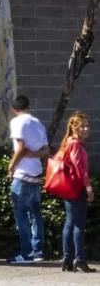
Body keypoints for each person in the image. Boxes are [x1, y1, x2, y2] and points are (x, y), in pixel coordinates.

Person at [7, 95, 49, 264]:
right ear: (29, 106)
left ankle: (25, 253)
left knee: (21, 216)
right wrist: (33, 154)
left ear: (13, 110)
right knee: (35, 215)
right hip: (36, 174)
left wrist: (11, 167)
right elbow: (46, 150)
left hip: (22, 174)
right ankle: (37, 251)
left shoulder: (17, 122)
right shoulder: (38, 123)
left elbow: (21, 147)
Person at [56, 111, 96, 273]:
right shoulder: (75, 144)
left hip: (68, 187)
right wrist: (89, 188)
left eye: (87, 126)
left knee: (70, 221)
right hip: (77, 187)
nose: (86, 129)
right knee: (78, 223)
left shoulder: (69, 143)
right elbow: (79, 167)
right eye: (82, 126)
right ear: (74, 128)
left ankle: (67, 258)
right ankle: (79, 259)